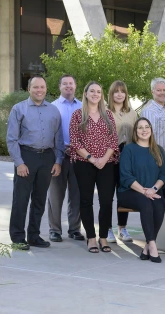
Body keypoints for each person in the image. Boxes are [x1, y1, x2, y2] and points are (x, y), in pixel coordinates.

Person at [7, 76, 65, 250]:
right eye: (36, 87)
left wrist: (58, 160)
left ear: (46, 89)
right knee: (21, 198)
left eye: (42, 87)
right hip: (26, 156)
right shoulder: (19, 109)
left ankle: (33, 235)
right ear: (29, 89)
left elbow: (59, 139)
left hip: (47, 158)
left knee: (39, 199)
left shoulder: (54, 111)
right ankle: (17, 237)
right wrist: (19, 163)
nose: (39, 90)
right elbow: (11, 139)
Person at [69, 81, 119, 254]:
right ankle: (91, 237)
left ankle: (103, 237)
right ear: (85, 93)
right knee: (86, 200)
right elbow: (74, 141)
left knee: (106, 201)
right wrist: (91, 158)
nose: (95, 94)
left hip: (107, 163)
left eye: (98, 91)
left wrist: (103, 159)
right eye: (92, 91)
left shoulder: (108, 115)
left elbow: (113, 140)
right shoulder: (77, 115)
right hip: (84, 163)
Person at [118, 117, 165, 263]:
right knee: (146, 204)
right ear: (135, 131)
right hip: (130, 192)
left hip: (152, 191)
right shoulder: (129, 149)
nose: (144, 130)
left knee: (159, 205)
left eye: (147, 127)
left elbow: (164, 174)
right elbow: (125, 176)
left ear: (151, 130)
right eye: (140, 127)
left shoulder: (158, 150)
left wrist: (153, 189)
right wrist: (144, 191)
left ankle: (147, 246)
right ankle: (152, 245)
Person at [47, 74, 84, 243]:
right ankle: (54, 230)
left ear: (75, 86)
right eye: (65, 84)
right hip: (58, 156)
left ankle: (74, 229)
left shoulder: (84, 107)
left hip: (79, 156)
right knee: (55, 195)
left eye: (71, 83)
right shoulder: (52, 107)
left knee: (77, 195)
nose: (68, 86)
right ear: (59, 87)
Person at [107, 80, 138, 243]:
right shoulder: (105, 111)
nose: (119, 94)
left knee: (124, 193)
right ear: (111, 94)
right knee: (108, 195)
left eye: (122, 91)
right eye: (116, 91)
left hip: (127, 159)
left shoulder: (132, 113)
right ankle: (107, 229)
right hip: (109, 159)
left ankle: (122, 228)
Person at [141, 77, 165, 161]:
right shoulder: (149, 111)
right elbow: (146, 138)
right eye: (159, 90)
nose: (162, 93)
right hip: (155, 158)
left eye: (164, 90)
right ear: (152, 91)